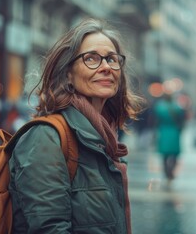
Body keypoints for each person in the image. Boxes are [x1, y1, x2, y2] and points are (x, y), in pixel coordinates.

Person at [8, 18, 145, 233]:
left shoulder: (106, 139)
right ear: (68, 74)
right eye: (91, 58)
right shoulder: (47, 137)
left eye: (111, 59)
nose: (106, 67)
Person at [153, 94, 185, 186]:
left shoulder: (159, 108)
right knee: (175, 154)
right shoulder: (177, 108)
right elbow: (181, 120)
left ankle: (167, 172)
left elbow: (156, 121)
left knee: (164, 155)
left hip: (163, 132)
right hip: (174, 132)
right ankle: (171, 170)